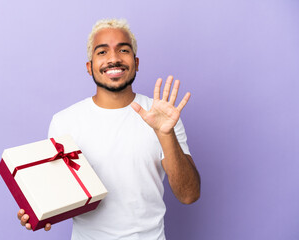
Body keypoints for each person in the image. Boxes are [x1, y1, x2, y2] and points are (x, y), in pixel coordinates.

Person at [17, 19, 200, 239]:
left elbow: (189, 195)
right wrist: (38, 213)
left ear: (136, 62)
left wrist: (165, 134)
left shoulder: (162, 116)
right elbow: (56, 194)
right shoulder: (64, 122)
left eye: (123, 50)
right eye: (102, 52)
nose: (114, 59)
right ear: (89, 67)